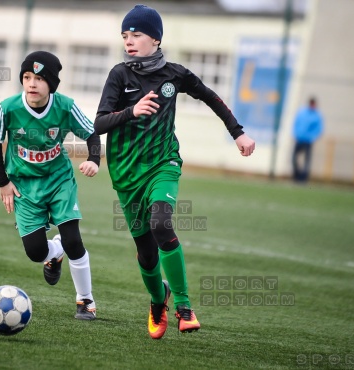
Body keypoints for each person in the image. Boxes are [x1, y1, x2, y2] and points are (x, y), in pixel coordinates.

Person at [94, 4, 255, 339]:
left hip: (163, 163)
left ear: (155, 38)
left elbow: (211, 97)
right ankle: (158, 300)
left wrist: (237, 131)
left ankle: (184, 306)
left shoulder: (175, 74)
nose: (129, 41)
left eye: (135, 34)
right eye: (125, 35)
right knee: (145, 252)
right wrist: (131, 111)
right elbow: (99, 123)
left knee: (161, 223)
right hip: (125, 173)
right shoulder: (118, 75)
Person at [0, 51, 101, 320]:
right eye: (27, 77)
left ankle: (85, 301)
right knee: (35, 251)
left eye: (39, 78)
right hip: (24, 187)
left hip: (59, 180)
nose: (32, 84)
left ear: (51, 84)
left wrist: (94, 159)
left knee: (73, 240)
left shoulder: (65, 106)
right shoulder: (8, 108)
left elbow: (92, 132)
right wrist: (3, 182)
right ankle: (54, 252)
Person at [292, 97, 324, 183]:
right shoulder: (302, 112)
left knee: (307, 160)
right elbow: (296, 123)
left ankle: (304, 178)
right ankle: (296, 176)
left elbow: (319, 129)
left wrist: (312, 137)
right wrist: (295, 133)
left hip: (308, 141)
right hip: (299, 139)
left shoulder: (317, 115)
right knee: (294, 158)